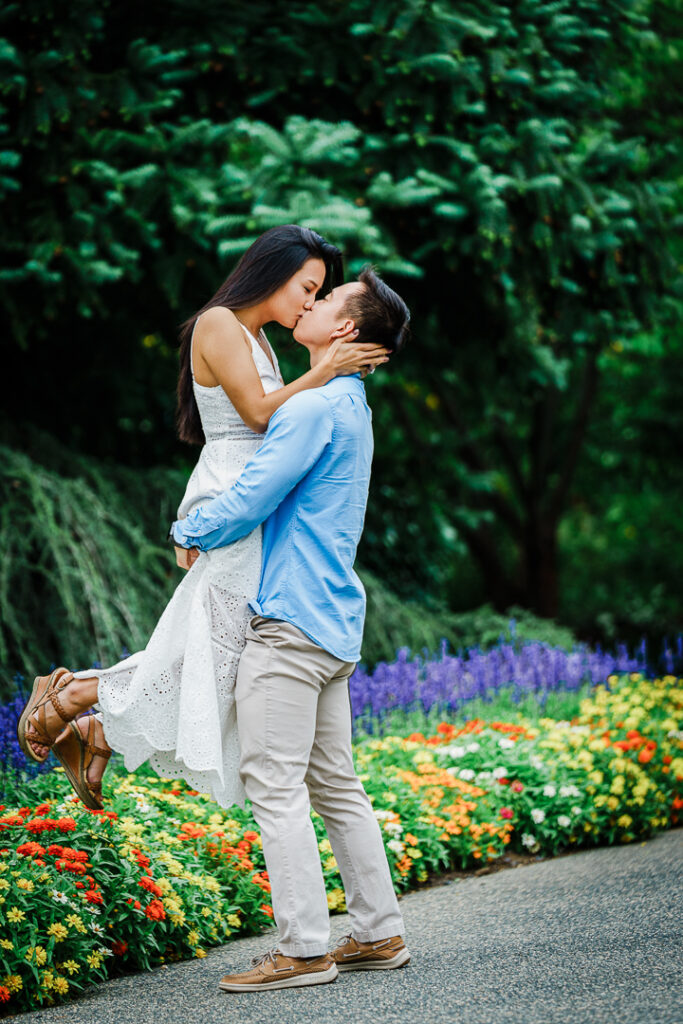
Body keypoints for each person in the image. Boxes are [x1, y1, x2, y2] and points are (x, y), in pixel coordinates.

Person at [17, 226, 389, 809]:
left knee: (220, 648)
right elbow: (261, 416)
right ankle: (72, 703)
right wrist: (327, 371)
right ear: (274, 270)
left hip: (253, 499)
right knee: (217, 648)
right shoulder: (219, 322)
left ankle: (91, 721)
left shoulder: (260, 338)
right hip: (233, 496)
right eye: (307, 287)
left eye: (319, 293)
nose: (311, 303)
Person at [170, 267, 411, 992]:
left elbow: (250, 497)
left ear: (344, 330)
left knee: (273, 784)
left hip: (290, 624)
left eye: (328, 298)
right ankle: (378, 932)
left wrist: (187, 527)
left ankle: (304, 951)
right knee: (336, 785)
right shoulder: (349, 402)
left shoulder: (310, 411)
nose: (312, 300)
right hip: (331, 621)